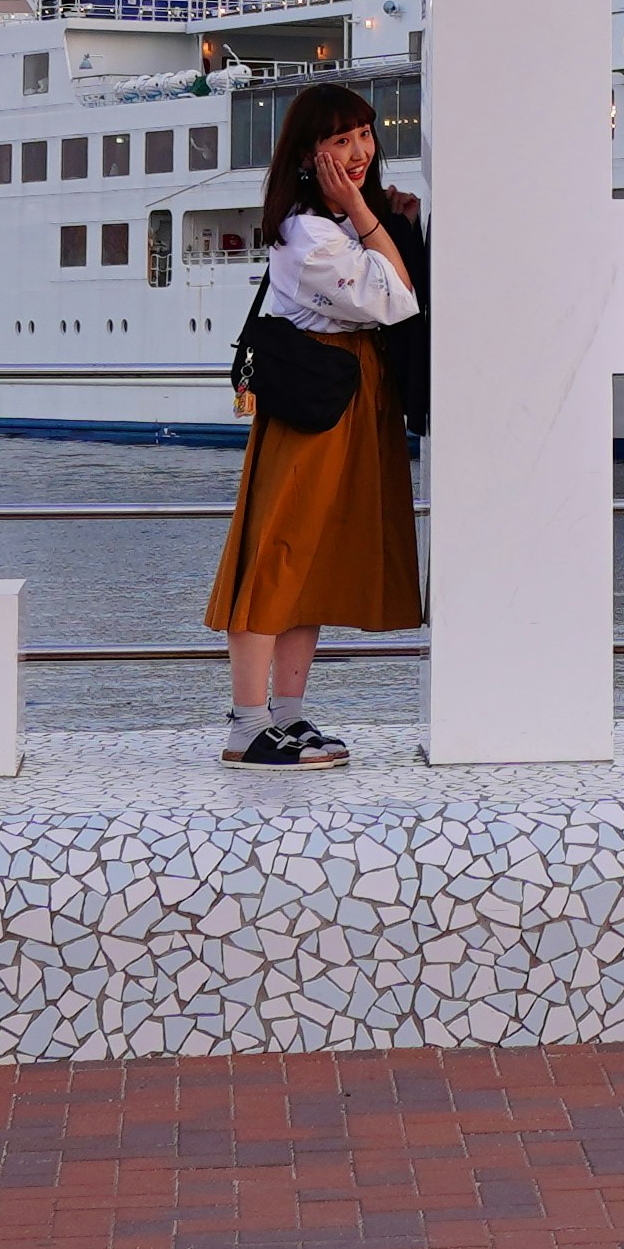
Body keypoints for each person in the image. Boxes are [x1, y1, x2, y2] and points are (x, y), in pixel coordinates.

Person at [208, 82, 426, 768]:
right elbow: (395, 297)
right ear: (309, 155)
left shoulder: (332, 223)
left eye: (363, 135)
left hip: (347, 402)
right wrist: (366, 211)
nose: (359, 151)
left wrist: (373, 214)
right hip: (317, 407)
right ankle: (247, 725)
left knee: (310, 562)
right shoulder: (309, 233)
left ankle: (286, 715)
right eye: (340, 141)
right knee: (277, 557)